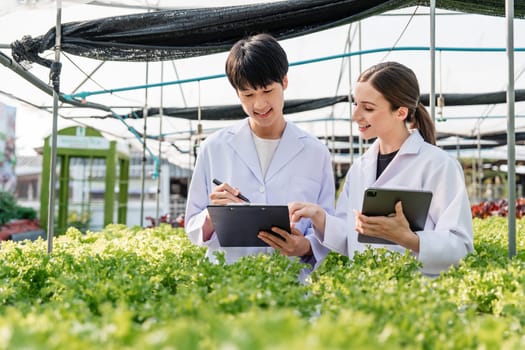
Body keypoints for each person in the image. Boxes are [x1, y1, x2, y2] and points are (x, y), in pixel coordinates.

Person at [285, 61, 474, 277]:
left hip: (417, 299)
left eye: (368, 108)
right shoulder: (360, 168)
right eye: (355, 104)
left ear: (401, 112)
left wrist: (409, 239)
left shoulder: (438, 165)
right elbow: (351, 237)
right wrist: (320, 217)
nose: (355, 115)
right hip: (368, 296)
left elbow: (461, 247)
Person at [184, 33, 335, 268]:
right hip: (230, 283)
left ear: (284, 81)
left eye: (267, 90)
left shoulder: (315, 153)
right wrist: (212, 215)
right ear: (237, 93)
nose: (259, 105)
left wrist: (305, 246)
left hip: (291, 283)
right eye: (248, 95)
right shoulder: (213, 148)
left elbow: (329, 225)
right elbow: (192, 226)